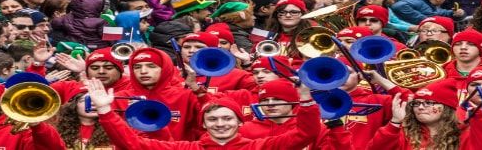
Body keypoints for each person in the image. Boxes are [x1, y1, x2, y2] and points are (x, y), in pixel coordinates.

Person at [84, 74, 322, 149]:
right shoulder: (187, 148)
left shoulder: (258, 146)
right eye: (213, 119)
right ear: (204, 124)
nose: (220, 124)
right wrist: (105, 110)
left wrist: (305, 99)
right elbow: (133, 143)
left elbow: (305, 135)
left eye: (227, 118)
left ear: (240, 122)